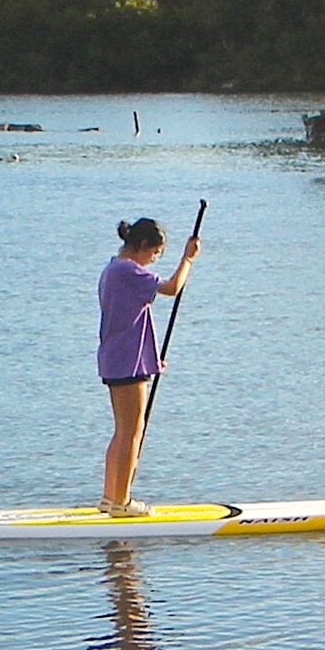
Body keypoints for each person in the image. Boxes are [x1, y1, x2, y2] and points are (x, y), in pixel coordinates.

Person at [97, 215, 200, 516]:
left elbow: (130, 320)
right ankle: (122, 502)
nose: (153, 261)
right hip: (127, 362)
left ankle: (109, 497)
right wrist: (188, 260)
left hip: (118, 357)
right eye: (154, 254)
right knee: (133, 432)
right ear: (142, 246)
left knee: (122, 431)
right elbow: (172, 288)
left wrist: (151, 358)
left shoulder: (112, 269)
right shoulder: (129, 271)